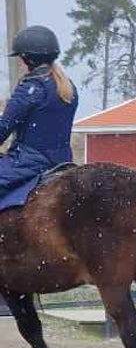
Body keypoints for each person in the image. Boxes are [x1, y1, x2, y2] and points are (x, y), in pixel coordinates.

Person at [0, 25, 78, 210]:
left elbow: (3, 128)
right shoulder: (68, 88)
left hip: (28, 162)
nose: (19, 63)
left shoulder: (32, 87)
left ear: (28, 59)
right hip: (62, 161)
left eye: (20, 58)